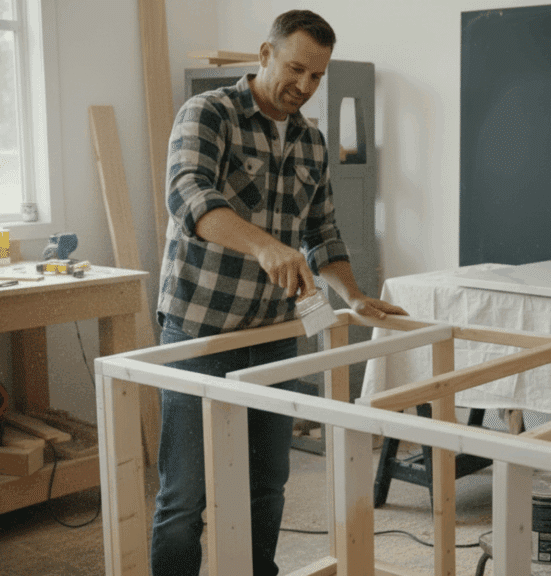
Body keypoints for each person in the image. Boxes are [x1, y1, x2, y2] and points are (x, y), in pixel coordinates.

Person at [151, 10, 406, 576]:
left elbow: (322, 232)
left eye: (317, 76)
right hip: (199, 329)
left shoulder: (311, 141)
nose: (305, 85)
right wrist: (264, 246)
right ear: (264, 54)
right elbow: (188, 195)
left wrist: (352, 295)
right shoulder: (208, 113)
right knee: (185, 495)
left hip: (273, 333)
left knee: (266, 485)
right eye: (295, 69)